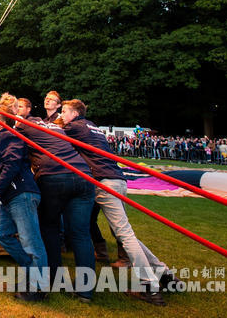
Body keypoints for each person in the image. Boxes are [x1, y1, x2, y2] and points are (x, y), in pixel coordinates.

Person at [61, 100, 173, 305]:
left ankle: (149, 285)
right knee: (125, 232)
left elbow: (54, 136)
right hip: (118, 179)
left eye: (64, 111)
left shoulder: (74, 126)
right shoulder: (92, 126)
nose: (62, 115)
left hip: (104, 181)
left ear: (75, 113)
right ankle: (162, 272)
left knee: (124, 234)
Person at [15, 94, 95, 302]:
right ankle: (85, 291)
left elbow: (9, 142)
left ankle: (52, 279)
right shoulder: (56, 128)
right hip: (83, 176)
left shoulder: (25, 126)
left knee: (49, 228)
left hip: (54, 175)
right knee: (81, 234)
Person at [0, 99, 48, 301]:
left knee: (31, 241)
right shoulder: (0, 139)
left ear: (3, 120)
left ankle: (38, 288)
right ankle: (31, 271)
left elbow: (12, 163)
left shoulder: (10, 135)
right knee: (1, 234)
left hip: (20, 194)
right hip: (10, 197)